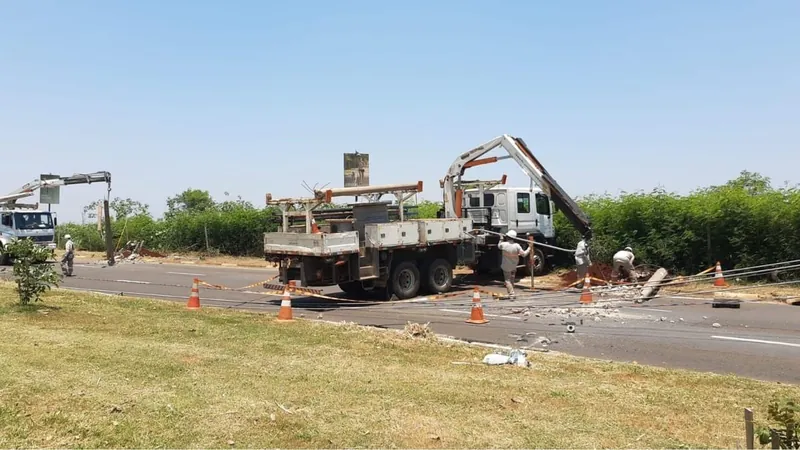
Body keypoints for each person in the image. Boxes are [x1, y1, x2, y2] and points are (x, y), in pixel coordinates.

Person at [497, 229, 531, 299]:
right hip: (514, 265)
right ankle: (511, 291)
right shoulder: (517, 246)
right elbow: (524, 254)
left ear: (507, 237)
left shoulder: (504, 244)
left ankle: (511, 294)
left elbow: (499, 246)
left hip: (506, 266)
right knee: (512, 279)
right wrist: (529, 248)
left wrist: (501, 238)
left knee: (507, 280)